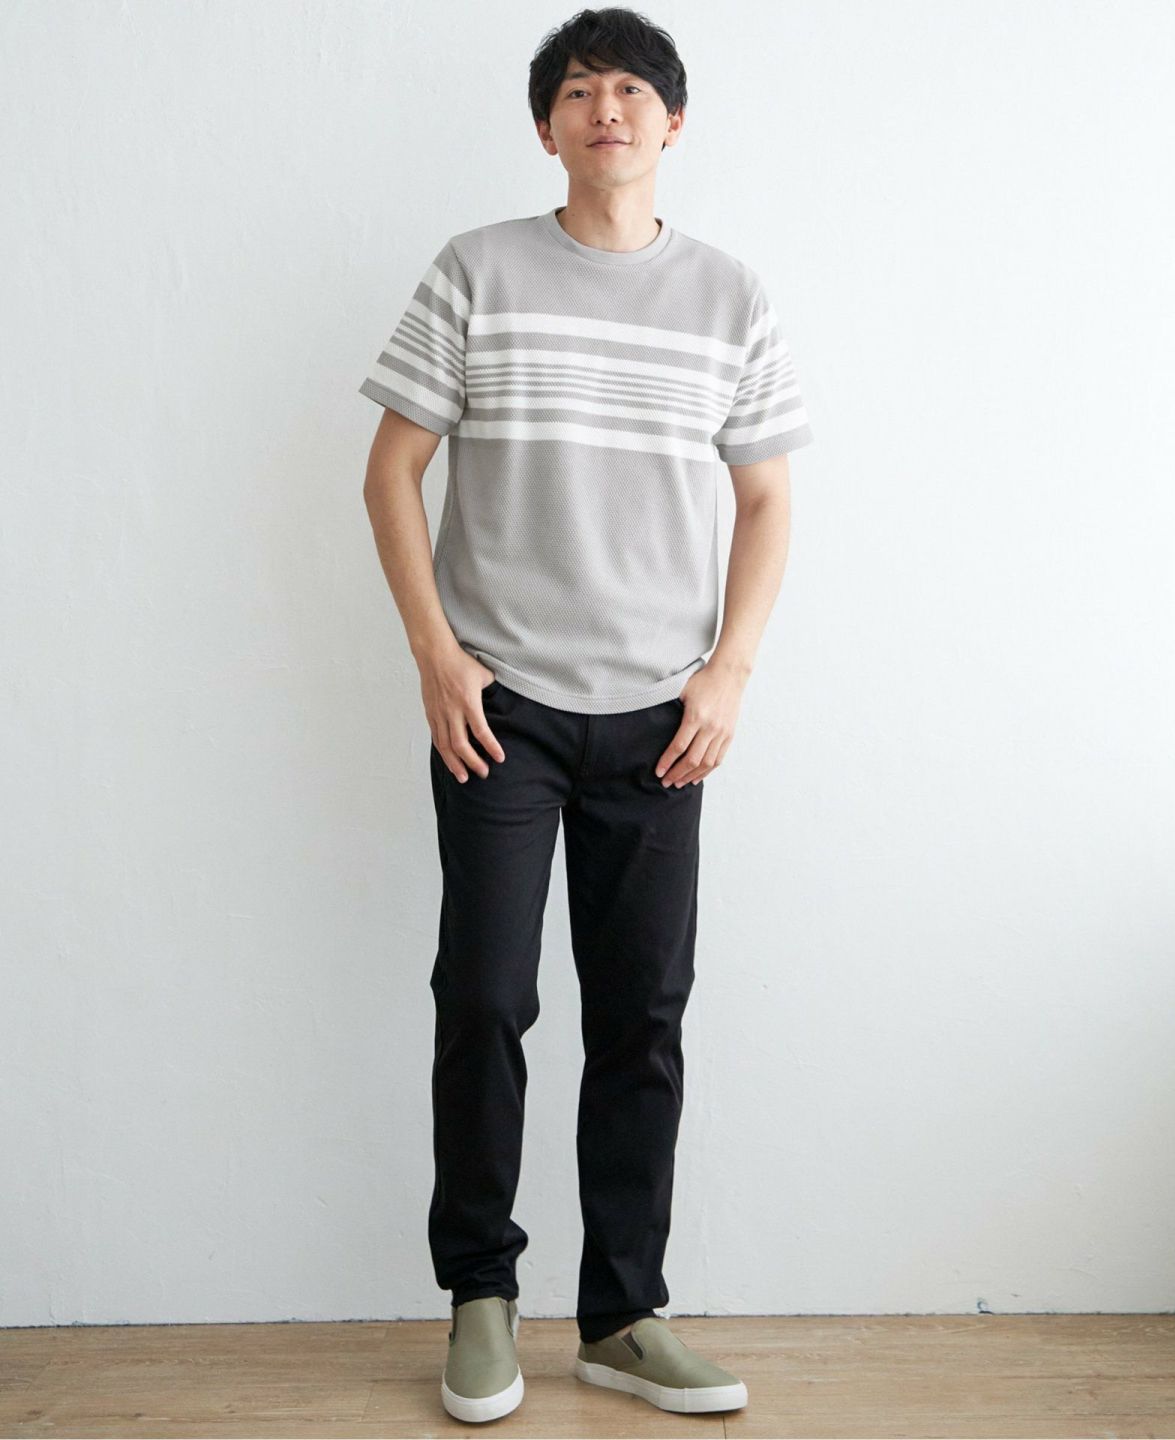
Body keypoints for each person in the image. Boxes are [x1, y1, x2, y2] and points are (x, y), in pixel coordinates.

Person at [359, 6, 814, 1422]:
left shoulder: (730, 296)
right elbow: (389, 470)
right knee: (486, 998)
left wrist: (729, 670)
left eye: (629, 88)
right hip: (500, 708)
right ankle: (480, 1300)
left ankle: (623, 1314)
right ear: (547, 126)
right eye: (575, 89)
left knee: (642, 1018)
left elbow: (767, 500)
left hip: (662, 721)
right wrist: (437, 657)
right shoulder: (477, 270)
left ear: (672, 123)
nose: (603, 107)